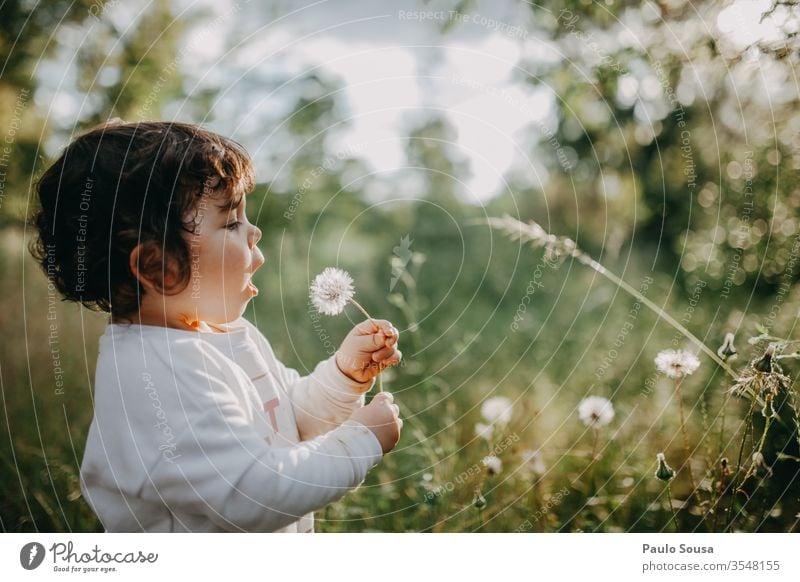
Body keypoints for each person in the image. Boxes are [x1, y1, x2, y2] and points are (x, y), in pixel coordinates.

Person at [29, 120, 403, 532]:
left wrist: (344, 376)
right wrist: (361, 441)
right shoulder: (156, 373)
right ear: (160, 268)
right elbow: (254, 494)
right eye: (231, 221)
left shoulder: (228, 336)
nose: (255, 231)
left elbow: (288, 423)